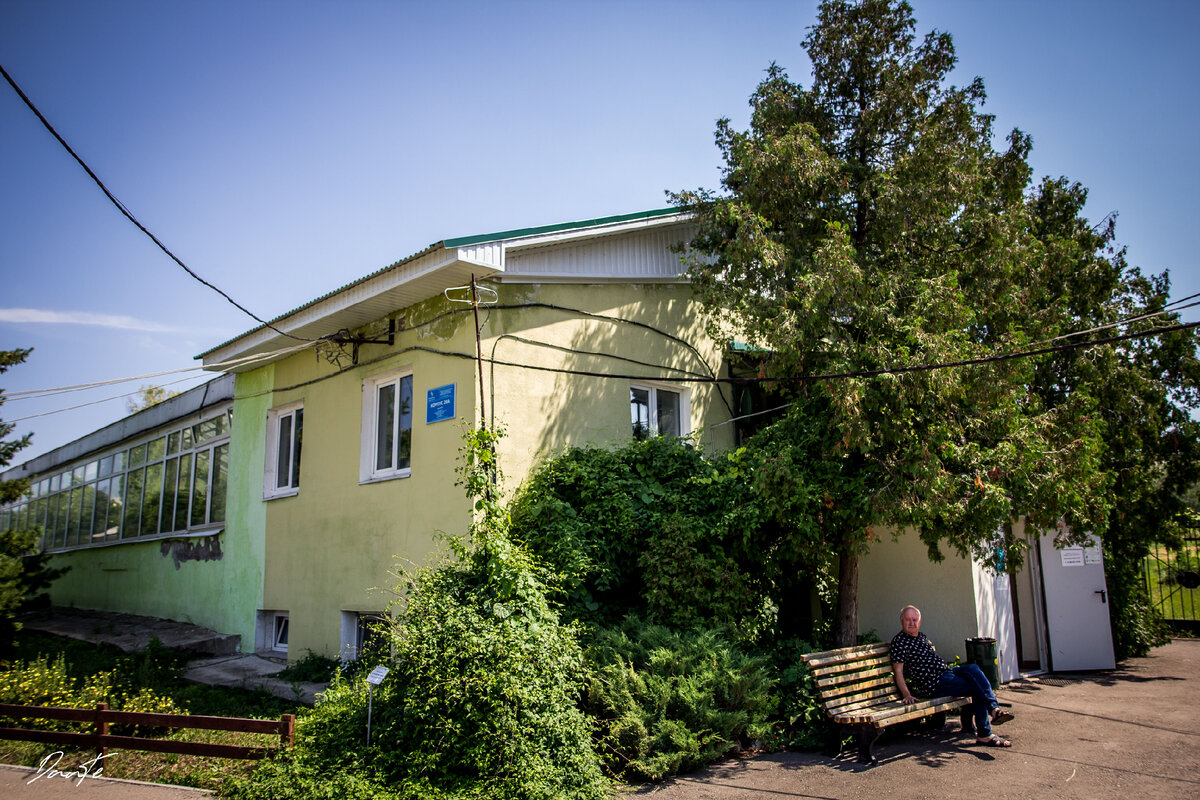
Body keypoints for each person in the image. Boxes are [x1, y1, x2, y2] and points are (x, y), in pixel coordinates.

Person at [890, 604, 1014, 747]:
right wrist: (906, 694)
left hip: (946, 673)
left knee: (973, 668)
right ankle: (986, 731)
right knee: (976, 686)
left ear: (920, 621)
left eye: (915, 620)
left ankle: (994, 710)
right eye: (908, 620)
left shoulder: (921, 637)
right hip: (933, 683)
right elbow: (898, 671)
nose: (912, 623)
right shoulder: (899, 641)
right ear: (901, 620)